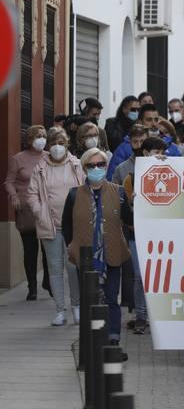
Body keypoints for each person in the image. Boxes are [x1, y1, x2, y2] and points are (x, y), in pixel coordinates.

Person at [62, 148, 132, 352]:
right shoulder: (75, 194)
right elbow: (66, 223)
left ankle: (112, 340)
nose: (96, 169)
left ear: (106, 166)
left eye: (100, 165)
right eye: (91, 165)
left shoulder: (118, 192)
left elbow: (128, 220)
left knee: (111, 299)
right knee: (90, 301)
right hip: (85, 256)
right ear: (84, 168)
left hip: (113, 254)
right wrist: (71, 245)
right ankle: (93, 342)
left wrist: (134, 201)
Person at [27, 127, 85, 326]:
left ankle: (76, 306)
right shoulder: (40, 168)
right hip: (49, 224)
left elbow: (85, 190)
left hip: (73, 226)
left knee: (72, 267)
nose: (57, 147)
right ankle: (60, 310)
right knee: (54, 269)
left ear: (67, 144)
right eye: (53, 144)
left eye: (61, 143)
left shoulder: (77, 165)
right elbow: (32, 194)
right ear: (48, 146)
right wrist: (39, 212)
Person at [122, 136, 168, 334]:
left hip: (162, 235)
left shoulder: (171, 173)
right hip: (137, 235)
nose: (159, 156)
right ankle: (140, 316)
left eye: (162, 152)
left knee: (160, 277)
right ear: (145, 153)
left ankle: (158, 317)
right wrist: (132, 203)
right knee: (140, 277)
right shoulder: (131, 179)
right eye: (155, 152)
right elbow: (123, 212)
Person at [5, 125, 51, 300]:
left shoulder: (49, 157)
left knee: (48, 249)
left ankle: (47, 281)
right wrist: (14, 196)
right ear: (30, 138)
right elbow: (9, 181)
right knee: (30, 250)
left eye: (44, 136)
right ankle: (32, 286)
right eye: (38, 136)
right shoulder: (18, 159)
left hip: (46, 209)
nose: (42, 139)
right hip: (26, 210)